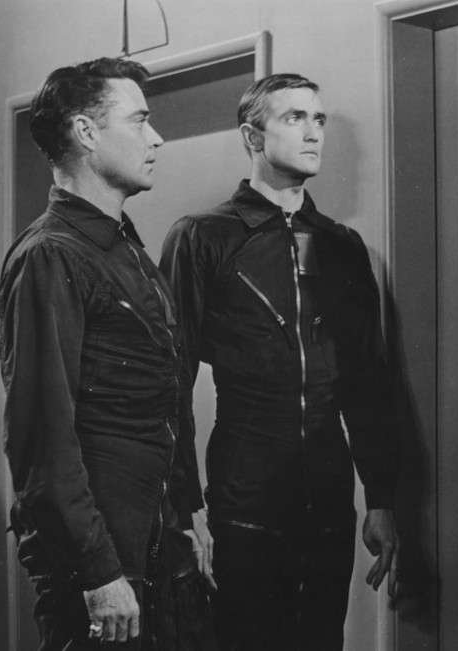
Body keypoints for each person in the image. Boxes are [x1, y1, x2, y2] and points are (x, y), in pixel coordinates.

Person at [159, 73, 399, 651]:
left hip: (330, 502)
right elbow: (170, 382)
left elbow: (368, 383)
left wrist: (382, 498)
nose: (314, 132)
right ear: (253, 136)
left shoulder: (343, 246)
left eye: (319, 120)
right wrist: (185, 506)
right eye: (295, 118)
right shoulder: (203, 238)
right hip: (244, 501)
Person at [0, 57, 208, 649]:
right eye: (139, 120)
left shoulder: (124, 249)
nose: (156, 137)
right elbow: (42, 438)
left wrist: (188, 513)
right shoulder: (52, 255)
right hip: (104, 563)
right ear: (86, 132)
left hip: (156, 545)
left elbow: (165, 399)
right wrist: (98, 573)